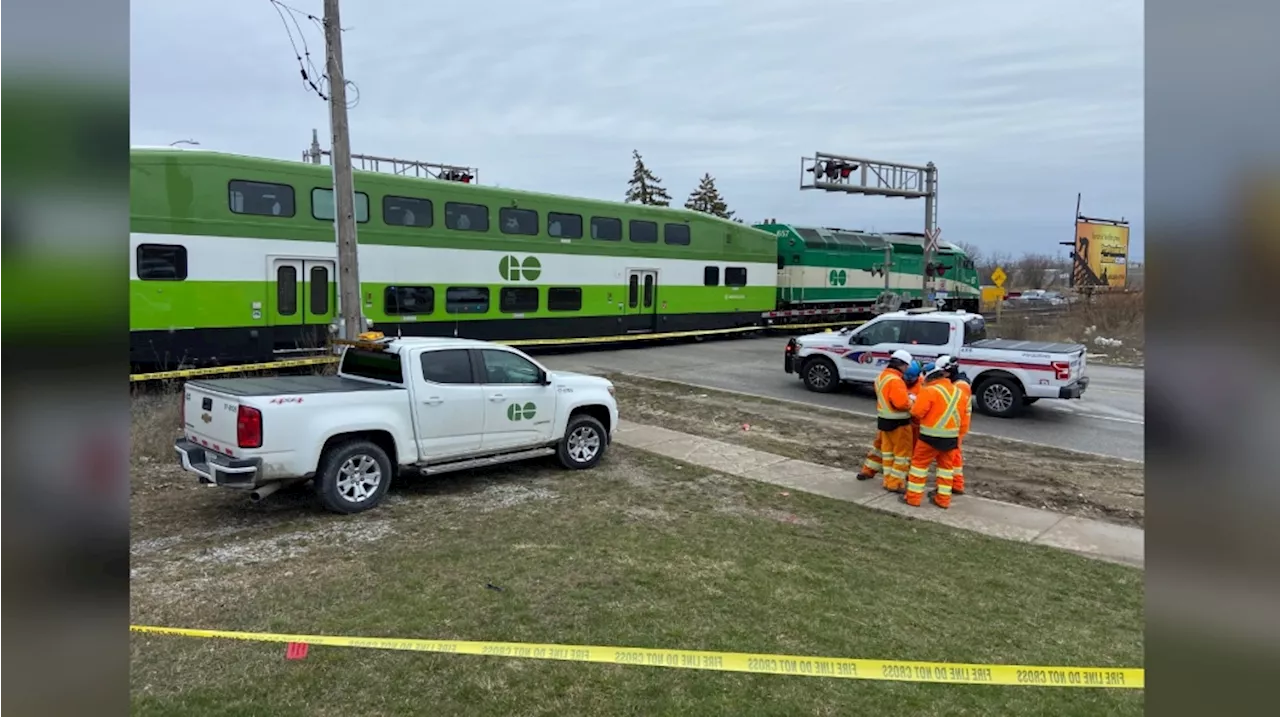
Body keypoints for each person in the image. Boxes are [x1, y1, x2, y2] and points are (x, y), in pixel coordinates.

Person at [905, 355, 970, 508]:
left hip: (929, 437)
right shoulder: (960, 393)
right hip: (951, 439)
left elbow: (916, 413)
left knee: (919, 467)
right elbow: (963, 417)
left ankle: (913, 498)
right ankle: (943, 500)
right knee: (946, 469)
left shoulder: (930, 391)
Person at [856, 349, 915, 493]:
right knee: (902, 455)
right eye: (906, 366)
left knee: (887, 452)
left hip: (885, 421)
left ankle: (887, 479)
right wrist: (912, 402)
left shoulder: (882, 377)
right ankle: (894, 483)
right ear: (902, 365)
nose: (907, 369)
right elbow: (901, 404)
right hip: (899, 423)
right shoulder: (896, 380)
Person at [947, 358, 973, 494]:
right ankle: (956, 484)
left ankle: (956, 484)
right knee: (954, 455)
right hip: (958, 425)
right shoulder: (960, 383)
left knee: (953, 456)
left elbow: (953, 406)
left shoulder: (960, 386)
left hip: (957, 426)